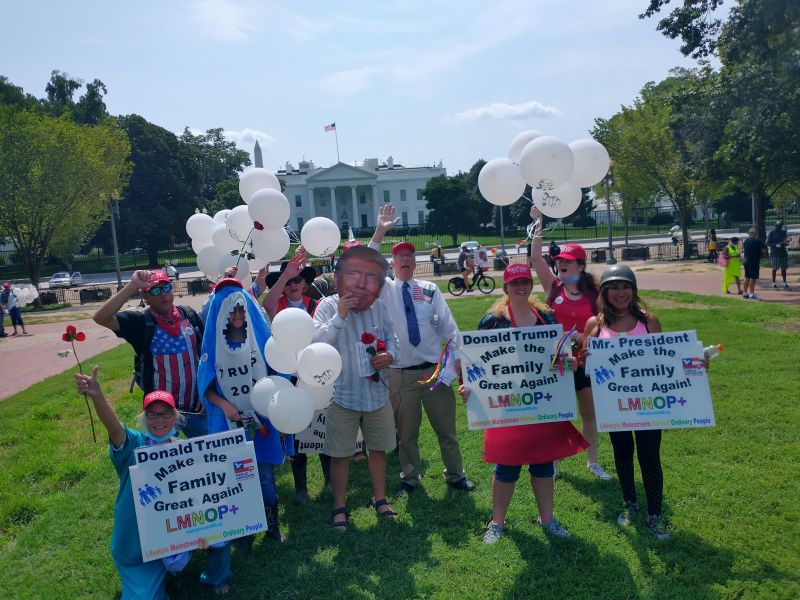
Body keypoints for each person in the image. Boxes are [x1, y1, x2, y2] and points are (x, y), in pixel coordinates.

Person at [459, 264, 589, 544]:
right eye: (514, 282)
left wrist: (569, 362)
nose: (520, 286)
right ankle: (497, 522)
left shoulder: (545, 316)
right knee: (506, 466)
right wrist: (469, 386)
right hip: (506, 404)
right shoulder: (492, 321)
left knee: (543, 463)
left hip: (541, 401)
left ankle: (548, 519)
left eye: (524, 281)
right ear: (505, 287)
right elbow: (477, 363)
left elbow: (558, 355)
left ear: (530, 285)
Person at [74, 369, 231, 597]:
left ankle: (217, 577)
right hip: (140, 547)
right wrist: (97, 396)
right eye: (153, 415)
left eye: (166, 414)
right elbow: (115, 428)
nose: (160, 420)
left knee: (224, 524)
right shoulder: (135, 447)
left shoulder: (184, 448)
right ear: (144, 418)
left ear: (176, 417)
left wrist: (201, 529)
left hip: (175, 531)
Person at [368, 207, 475, 498]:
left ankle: (456, 475)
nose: (405, 260)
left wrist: (457, 369)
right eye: (399, 257)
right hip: (401, 374)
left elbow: (451, 331)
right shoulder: (385, 289)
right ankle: (410, 478)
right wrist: (379, 232)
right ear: (392, 263)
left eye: (410, 256)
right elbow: (367, 263)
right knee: (407, 436)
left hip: (434, 372)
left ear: (415, 262)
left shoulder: (429, 290)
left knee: (447, 432)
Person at [584, 264, 687, 540]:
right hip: (615, 404)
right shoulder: (595, 324)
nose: (620, 293)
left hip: (648, 403)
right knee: (622, 453)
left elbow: (667, 359)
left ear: (634, 290)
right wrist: (574, 361)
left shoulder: (648, 321)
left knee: (650, 456)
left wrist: (693, 365)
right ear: (604, 292)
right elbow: (586, 363)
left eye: (626, 286)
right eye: (614, 287)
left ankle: (655, 514)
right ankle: (630, 503)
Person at [198, 277, 292, 553]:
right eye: (231, 309)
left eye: (241, 308)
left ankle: (272, 526)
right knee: (236, 477)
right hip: (227, 422)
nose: (237, 314)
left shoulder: (259, 340)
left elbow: (276, 374)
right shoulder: (214, 345)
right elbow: (207, 385)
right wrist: (225, 405)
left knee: (263, 474)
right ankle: (244, 532)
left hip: (260, 419)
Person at [312, 245, 400, 531]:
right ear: (338, 278)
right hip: (342, 395)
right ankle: (339, 506)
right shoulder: (327, 306)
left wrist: (390, 356)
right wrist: (340, 316)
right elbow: (316, 345)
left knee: (378, 450)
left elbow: (393, 340)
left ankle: (380, 498)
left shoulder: (379, 307)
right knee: (340, 454)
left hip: (376, 395)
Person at [528, 207, 610, 480]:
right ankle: (552, 463)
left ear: (580, 265)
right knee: (555, 414)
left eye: (567, 261)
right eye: (560, 260)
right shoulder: (553, 287)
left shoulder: (595, 293)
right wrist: (539, 223)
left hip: (585, 361)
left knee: (589, 413)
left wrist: (586, 336)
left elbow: (604, 322)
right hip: (556, 361)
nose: (560, 264)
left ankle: (592, 462)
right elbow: (536, 257)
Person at [93, 270, 207, 438]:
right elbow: (101, 318)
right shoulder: (140, 322)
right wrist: (132, 286)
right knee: (167, 461)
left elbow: (205, 357)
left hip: (198, 408)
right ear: (145, 297)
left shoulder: (189, 315)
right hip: (161, 415)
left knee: (212, 458)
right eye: (155, 290)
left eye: (166, 287)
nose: (163, 294)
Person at [263, 248, 331, 504]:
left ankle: (329, 479)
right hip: (288, 375)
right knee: (296, 431)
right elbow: (266, 304)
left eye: (297, 279)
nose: (292, 285)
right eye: (288, 281)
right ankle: (301, 487)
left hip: (315, 374)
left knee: (321, 428)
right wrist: (285, 274)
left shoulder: (317, 306)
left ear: (305, 283)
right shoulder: (277, 305)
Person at [742, 229, 767, 299]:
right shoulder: (758, 241)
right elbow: (764, 251)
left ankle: (744, 292)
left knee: (747, 277)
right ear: (755, 234)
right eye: (756, 233)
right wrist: (763, 255)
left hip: (746, 261)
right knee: (753, 278)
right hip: (754, 261)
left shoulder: (745, 241)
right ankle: (752, 294)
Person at [766, 221, 791, 290]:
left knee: (784, 268)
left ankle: (785, 283)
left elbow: (786, 241)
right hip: (775, 254)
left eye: (780, 226)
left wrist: (786, 242)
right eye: (778, 226)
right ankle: (773, 283)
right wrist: (776, 245)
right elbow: (767, 243)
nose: (779, 227)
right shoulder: (771, 233)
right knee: (775, 268)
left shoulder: (783, 232)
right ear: (775, 226)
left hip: (783, 253)